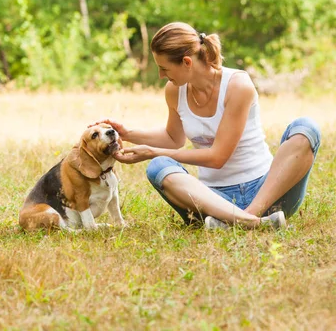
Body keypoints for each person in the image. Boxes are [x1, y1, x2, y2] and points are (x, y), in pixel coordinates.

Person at [97, 22, 321, 230]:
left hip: (267, 193)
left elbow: (218, 157)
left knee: (306, 128)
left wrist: (151, 152)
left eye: (164, 68)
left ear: (187, 62)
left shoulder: (238, 86)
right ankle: (249, 222)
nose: (160, 75)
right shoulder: (175, 90)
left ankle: (247, 219)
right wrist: (128, 134)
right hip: (212, 198)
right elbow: (173, 138)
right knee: (158, 167)